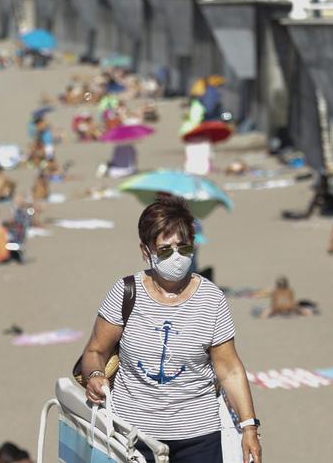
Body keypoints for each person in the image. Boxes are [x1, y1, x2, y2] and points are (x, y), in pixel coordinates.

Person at [79, 195, 262, 462]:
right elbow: (95, 350)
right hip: (133, 436)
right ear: (146, 251)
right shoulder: (125, 292)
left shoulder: (212, 299)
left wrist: (249, 428)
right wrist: (95, 374)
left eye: (184, 248)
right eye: (165, 250)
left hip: (200, 438)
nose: (176, 257)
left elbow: (229, 369)